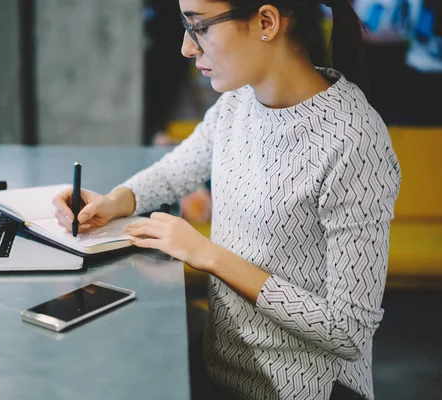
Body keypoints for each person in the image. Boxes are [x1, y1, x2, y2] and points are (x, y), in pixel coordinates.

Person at [53, 0, 401, 399]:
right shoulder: (237, 104)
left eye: (199, 26)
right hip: (222, 372)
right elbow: (173, 172)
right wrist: (115, 200)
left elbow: (348, 331)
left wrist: (209, 255)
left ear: (265, 22)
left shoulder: (355, 141)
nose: (187, 46)